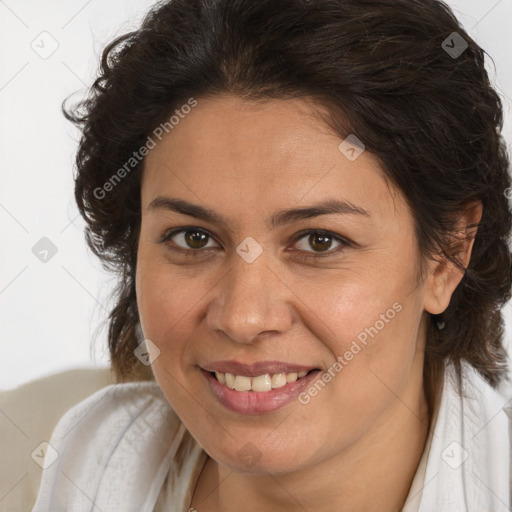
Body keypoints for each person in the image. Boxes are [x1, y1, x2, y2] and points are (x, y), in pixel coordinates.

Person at [31, 0, 512, 510]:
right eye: (194, 238)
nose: (243, 318)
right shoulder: (94, 452)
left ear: (446, 256)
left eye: (319, 241)